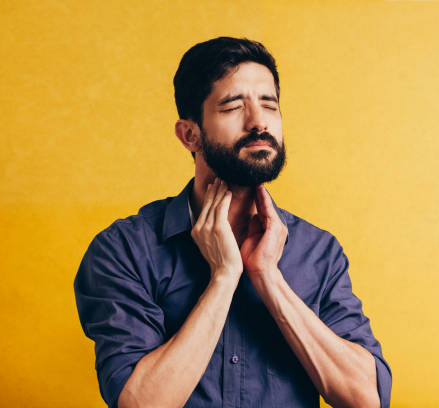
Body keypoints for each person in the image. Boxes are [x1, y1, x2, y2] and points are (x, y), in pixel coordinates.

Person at [74, 37, 392, 408]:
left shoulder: (318, 252)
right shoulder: (124, 250)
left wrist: (269, 278)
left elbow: (365, 399)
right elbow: (140, 404)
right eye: (232, 107)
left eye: (269, 105)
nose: (258, 122)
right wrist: (224, 277)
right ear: (189, 135)